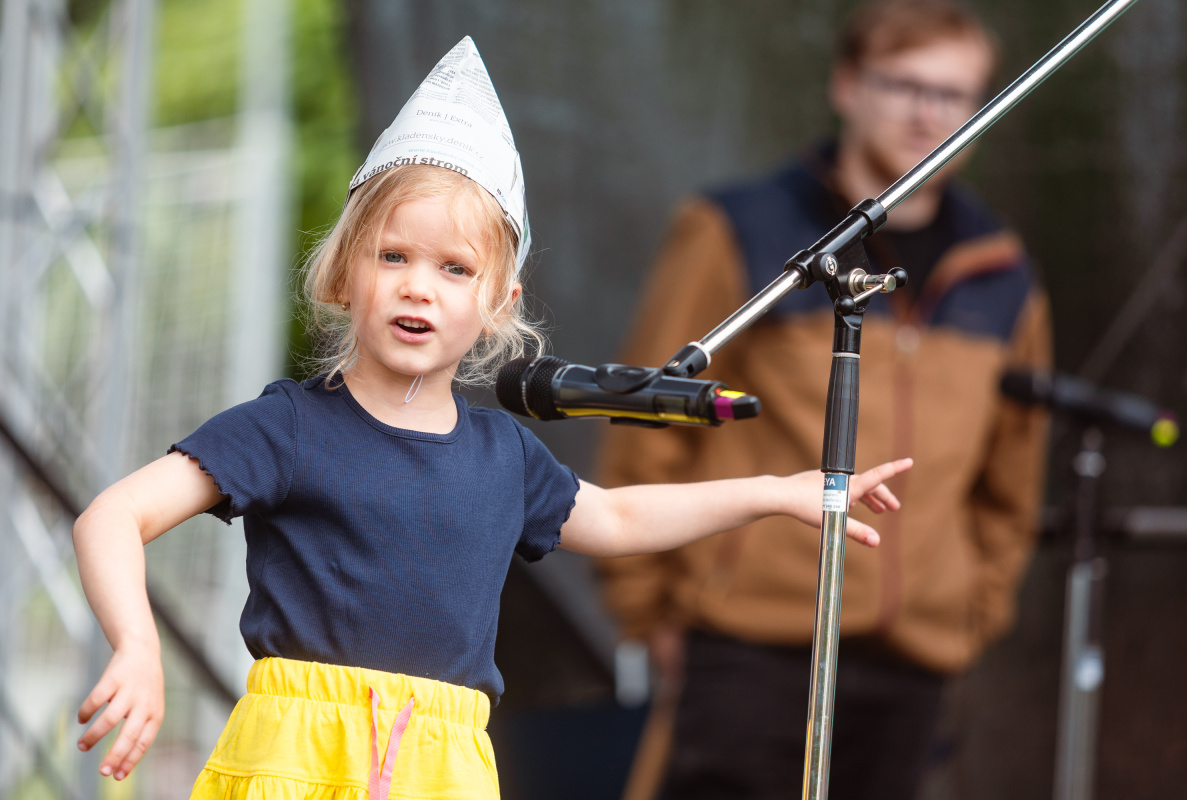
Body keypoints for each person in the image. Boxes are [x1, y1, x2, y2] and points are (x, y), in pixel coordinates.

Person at [70, 37, 910, 800]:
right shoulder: (288, 426)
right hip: (299, 759)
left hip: (447, 771)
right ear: (341, 276)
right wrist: (138, 647)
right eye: (392, 256)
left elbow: (615, 517)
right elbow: (112, 515)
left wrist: (773, 488)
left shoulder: (501, 453)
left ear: (497, 306)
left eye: (453, 268)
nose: (417, 285)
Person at [597, 2, 1051, 799]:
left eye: (954, 94)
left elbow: (1015, 475)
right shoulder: (737, 229)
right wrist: (653, 611)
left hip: (914, 660)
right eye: (905, 84)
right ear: (847, 84)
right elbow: (648, 415)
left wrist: (972, 609)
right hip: (750, 645)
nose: (928, 113)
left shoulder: (1003, 272)